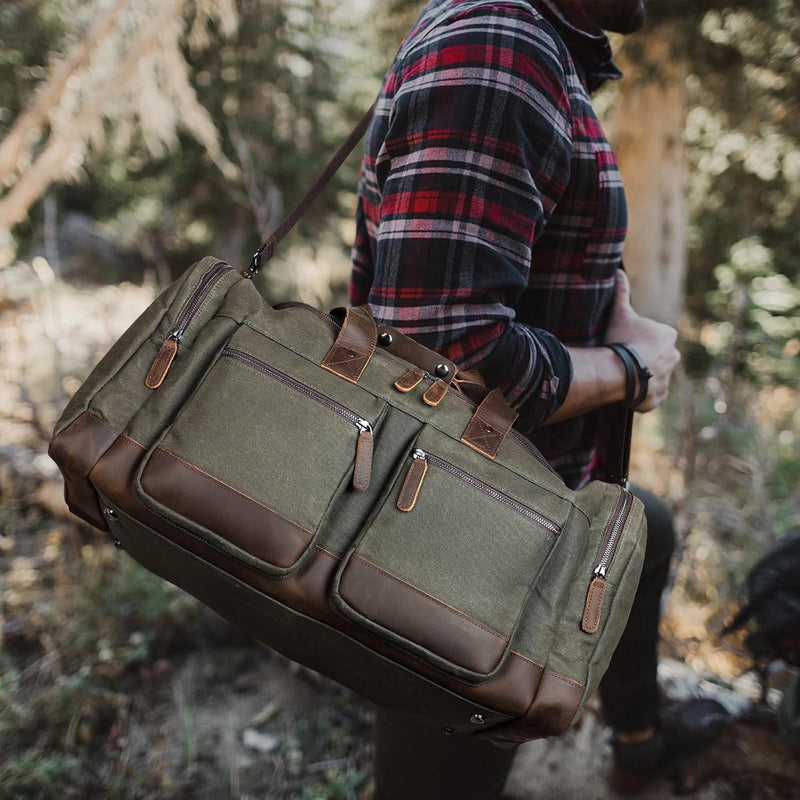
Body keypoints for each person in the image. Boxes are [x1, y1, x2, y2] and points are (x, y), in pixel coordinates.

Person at [350, 1, 729, 797]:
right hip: (458, 538)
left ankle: (636, 737)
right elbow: (443, 351)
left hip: (518, 497)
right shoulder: (501, 45)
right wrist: (627, 368)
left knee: (645, 533)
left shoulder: (530, 45)